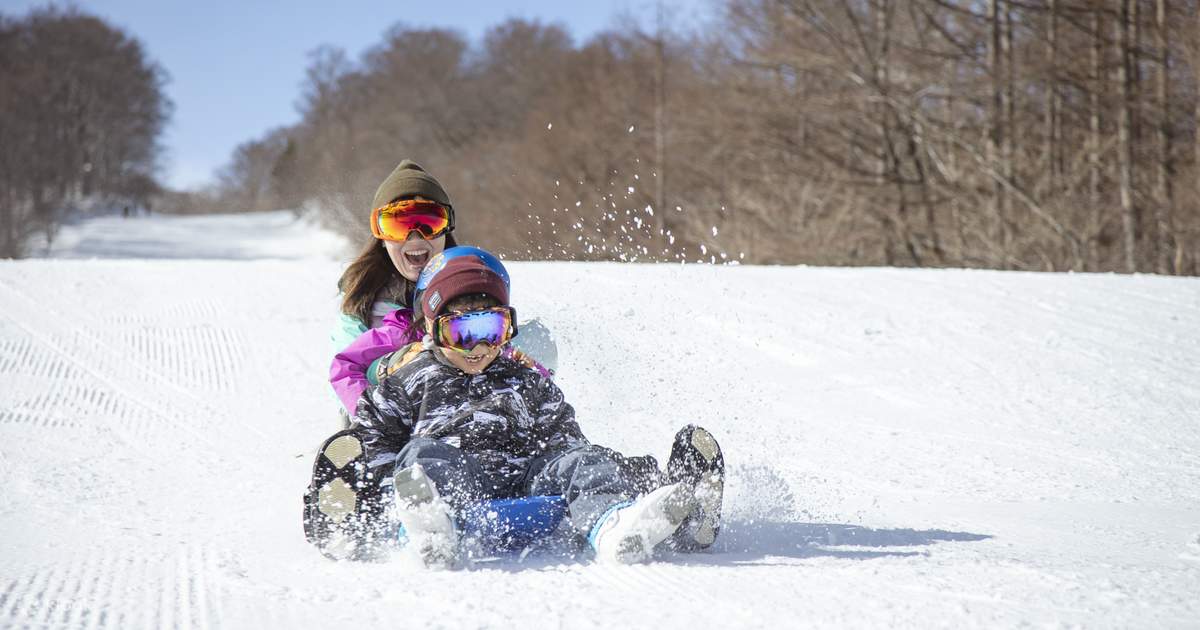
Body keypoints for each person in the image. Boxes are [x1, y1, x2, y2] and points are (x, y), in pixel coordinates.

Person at [340, 253, 725, 566]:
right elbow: (375, 439)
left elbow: (565, 444)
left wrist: (584, 466)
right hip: (457, 493)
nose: (477, 348)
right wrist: (373, 491)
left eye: (490, 330)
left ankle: (617, 524)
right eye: (460, 334)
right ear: (433, 330)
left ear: (508, 330)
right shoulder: (409, 380)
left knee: (585, 460)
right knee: (421, 456)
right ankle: (430, 531)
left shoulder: (527, 380)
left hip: (527, 482)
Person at [329, 160, 556, 421]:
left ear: (446, 229)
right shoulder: (366, 303)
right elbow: (346, 367)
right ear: (381, 237)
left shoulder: (471, 282)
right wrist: (376, 407)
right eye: (397, 225)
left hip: (468, 403)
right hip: (394, 408)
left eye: (429, 222)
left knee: (533, 339)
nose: (415, 236)